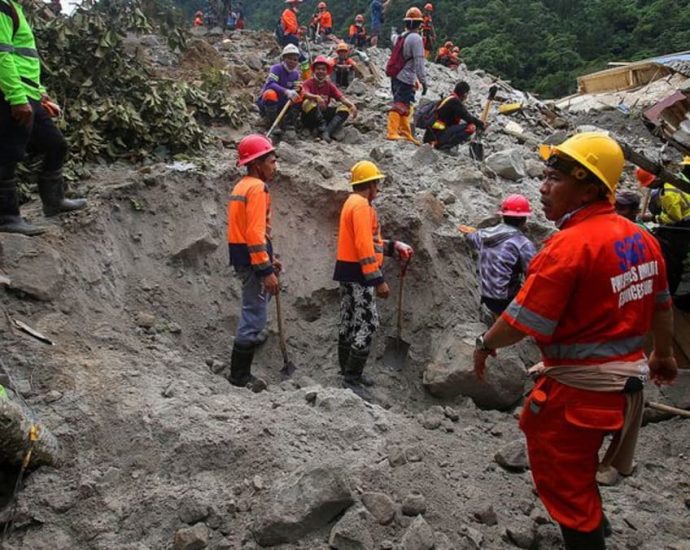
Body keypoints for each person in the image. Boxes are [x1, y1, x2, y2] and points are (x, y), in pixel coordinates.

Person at [473, 132, 677, 550]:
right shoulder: (641, 238)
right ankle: (596, 524)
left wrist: (484, 343)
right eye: (544, 177)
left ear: (588, 187)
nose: (543, 188)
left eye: (554, 179)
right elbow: (660, 303)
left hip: (579, 395)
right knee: (581, 470)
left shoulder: (567, 247)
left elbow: (520, 321)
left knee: (567, 489)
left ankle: (588, 536)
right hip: (625, 385)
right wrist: (663, 354)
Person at [0, 0, 86, 235]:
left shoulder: (14, 8)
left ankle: (54, 201)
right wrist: (17, 98)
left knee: (55, 144)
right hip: (11, 94)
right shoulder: (3, 7)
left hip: (29, 94)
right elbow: (2, 57)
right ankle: (7, 217)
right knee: (7, 155)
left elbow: (23, 58)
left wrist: (40, 93)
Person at [334, 160, 413, 389]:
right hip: (360, 274)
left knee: (349, 320)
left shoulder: (353, 203)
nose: (378, 188)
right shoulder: (361, 206)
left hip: (347, 270)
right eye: (376, 183)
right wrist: (377, 280)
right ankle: (351, 378)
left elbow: (368, 242)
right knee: (368, 322)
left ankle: (346, 372)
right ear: (369, 184)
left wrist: (393, 246)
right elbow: (363, 245)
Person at [227, 134, 283, 393]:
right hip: (252, 260)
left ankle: (252, 343)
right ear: (257, 163)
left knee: (255, 308)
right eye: (271, 161)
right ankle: (239, 375)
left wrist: (270, 260)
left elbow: (250, 232)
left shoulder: (241, 186)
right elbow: (254, 233)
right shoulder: (258, 189)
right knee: (254, 314)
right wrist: (265, 269)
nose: (275, 166)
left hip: (243, 256)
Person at [459, 194, 537, 320]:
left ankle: (492, 316)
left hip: (484, 295)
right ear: (524, 219)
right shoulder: (523, 244)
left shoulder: (484, 234)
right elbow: (534, 274)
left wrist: (468, 232)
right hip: (505, 300)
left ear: (503, 216)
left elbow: (471, 237)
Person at [386, 7, 427, 144]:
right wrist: (423, 81)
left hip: (396, 74)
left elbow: (393, 38)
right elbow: (419, 62)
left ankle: (404, 131)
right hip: (405, 76)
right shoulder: (416, 39)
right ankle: (392, 131)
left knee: (404, 104)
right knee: (400, 103)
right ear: (419, 23)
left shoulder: (402, 36)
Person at [300, 55, 358, 142]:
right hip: (310, 116)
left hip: (323, 113)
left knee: (345, 108)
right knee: (307, 103)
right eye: (318, 69)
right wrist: (316, 97)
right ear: (314, 70)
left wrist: (351, 105)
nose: (321, 71)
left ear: (327, 71)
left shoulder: (329, 85)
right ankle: (320, 128)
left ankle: (327, 132)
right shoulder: (308, 82)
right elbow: (304, 93)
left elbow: (341, 97)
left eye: (323, 69)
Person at [423, 81, 484, 150]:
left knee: (462, 123)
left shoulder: (449, 98)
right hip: (436, 136)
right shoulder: (455, 102)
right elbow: (467, 117)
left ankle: (441, 143)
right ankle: (443, 146)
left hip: (431, 133)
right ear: (464, 93)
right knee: (471, 127)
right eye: (467, 94)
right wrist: (481, 124)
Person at [256, 44, 301, 137]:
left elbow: (295, 88)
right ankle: (273, 123)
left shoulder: (295, 74)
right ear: (284, 58)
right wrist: (286, 91)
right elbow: (270, 84)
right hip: (268, 103)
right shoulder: (276, 68)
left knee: (298, 97)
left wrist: (297, 89)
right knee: (270, 94)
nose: (292, 62)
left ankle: (289, 124)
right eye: (290, 58)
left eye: (295, 60)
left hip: (283, 104)